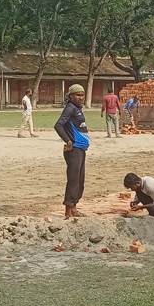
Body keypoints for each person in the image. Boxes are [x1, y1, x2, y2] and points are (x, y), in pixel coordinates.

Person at [55, 84, 90, 219]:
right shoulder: (70, 108)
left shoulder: (77, 108)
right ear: (71, 96)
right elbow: (58, 125)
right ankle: (68, 212)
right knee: (73, 180)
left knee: (80, 181)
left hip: (81, 149)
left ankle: (74, 208)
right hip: (73, 150)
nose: (80, 98)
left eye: (82, 95)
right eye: (78, 95)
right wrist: (68, 141)